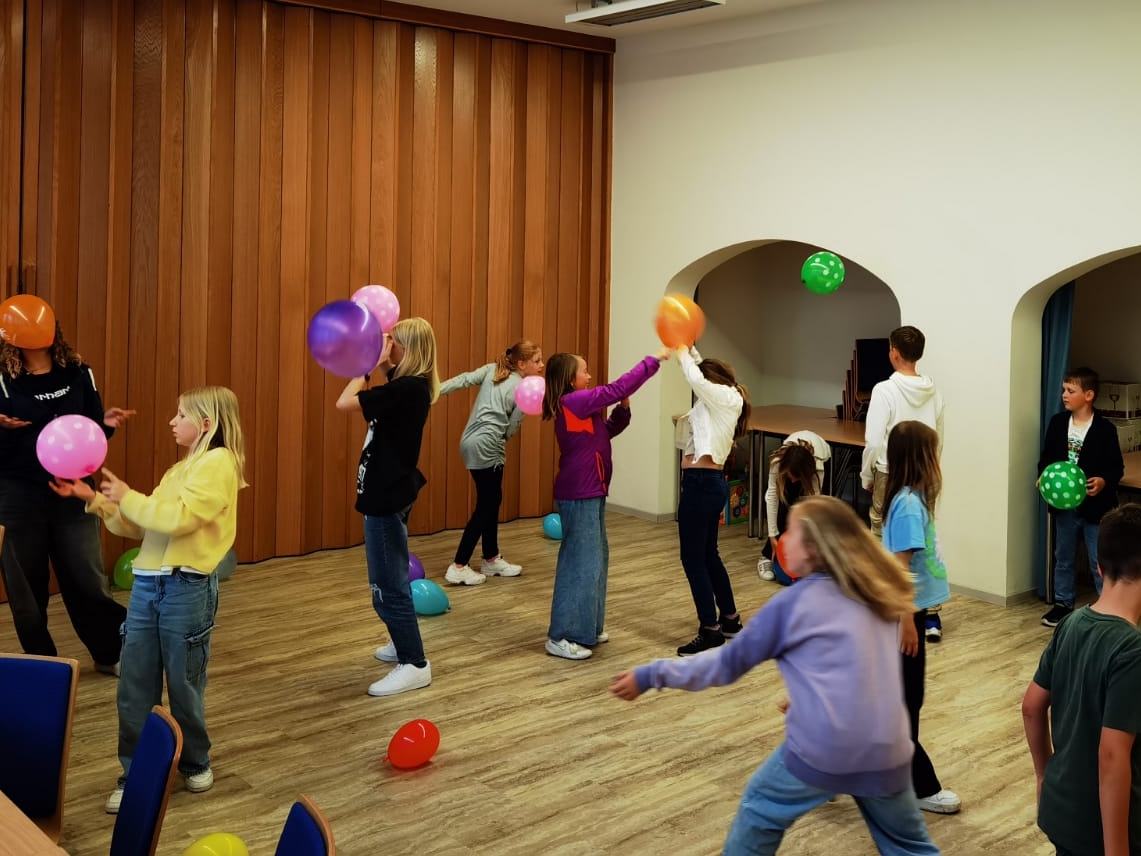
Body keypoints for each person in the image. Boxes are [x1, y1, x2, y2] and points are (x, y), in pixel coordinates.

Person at [610, 496, 940, 856]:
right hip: (888, 748)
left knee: (760, 809)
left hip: (825, 747)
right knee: (910, 847)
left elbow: (724, 664)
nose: (782, 539)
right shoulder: (873, 592)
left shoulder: (792, 605)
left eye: (790, 531)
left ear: (812, 548)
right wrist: (810, 697)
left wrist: (651, 675)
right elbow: (862, 670)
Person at [53, 386, 246, 814]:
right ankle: (136, 773)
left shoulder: (219, 463)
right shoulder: (178, 471)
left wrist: (128, 496)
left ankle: (195, 760)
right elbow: (144, 526)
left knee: (184, 684)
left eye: (181, 415)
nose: (172, 422)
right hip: (147, 586)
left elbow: (179, 520)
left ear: (206, 424)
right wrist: (95, 500)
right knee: (135, 686)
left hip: (186, 588)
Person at [0, 318, 131, 673]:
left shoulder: (77, 372)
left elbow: (90, 428)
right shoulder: (2, 379)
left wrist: (106, 423)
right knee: (26, 591)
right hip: (17, 494)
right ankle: (44, 666)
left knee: (87, 578)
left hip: (73, 491)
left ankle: (110, 654)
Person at [1022, 503, 1141, 856]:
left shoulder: (1070, 623)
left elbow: (1031, 706)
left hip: (1062, 812)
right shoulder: (1132, 650)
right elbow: (1112, 755)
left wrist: (1043, 775)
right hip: (1104, 831)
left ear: (1099, 568)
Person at [541, 349, 667, 660]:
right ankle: (560, 636)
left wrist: (623, 411)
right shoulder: (574, 401)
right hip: (579, 493)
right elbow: (617, 388)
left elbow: (604, 433)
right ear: (570, 380)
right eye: (584, 371)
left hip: (592, 491)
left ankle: (587, 628)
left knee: (596, 561)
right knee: (580, 564)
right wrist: (653, 360)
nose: (589, 376)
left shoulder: (580, 408)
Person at [336, 318, 439, 696]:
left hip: (387, 496)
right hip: (389, 490)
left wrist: (367, 365)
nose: (384, 345)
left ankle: (414, 663)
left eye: (391, 341)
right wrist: (382, 359)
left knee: (387, 585)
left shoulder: (408, 389)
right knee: (391, 576)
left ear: (405, 350)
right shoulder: (407, 386)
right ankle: (401, 640)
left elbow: (344, 402)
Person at [881, 420, 960, 815]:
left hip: (905, 614)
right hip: (903, 617)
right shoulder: (909, 505)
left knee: (896, 702)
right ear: (920, 459)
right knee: (906, 703)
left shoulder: (909, 500)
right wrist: (907, 621)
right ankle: (921, 786)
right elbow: (900, 570)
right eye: (934, 453)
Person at [437, 340, 544, 586]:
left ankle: (491, 558)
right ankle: (459, 565)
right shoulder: (525, 388)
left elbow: (463, 380)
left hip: (468, 441)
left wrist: (435, 390)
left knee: (491, 500)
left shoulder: (492, 370)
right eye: (537, 361)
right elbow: (512, 427)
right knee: (487, 505)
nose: (541, 365)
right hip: (488, 445)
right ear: (521, 364)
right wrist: (501, 437)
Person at [672, 345, 750, 656]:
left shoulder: (726, 398)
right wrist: (689, 346)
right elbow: (699, 369)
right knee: (707, 555)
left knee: (693, 559)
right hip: (705, 484)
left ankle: (710, 629)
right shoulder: (721, 397)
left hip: (702, 485)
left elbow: (695, 376)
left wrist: (680, 349)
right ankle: (729, 619)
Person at [1037, 366, 1124, 628]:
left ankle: (1107, 608)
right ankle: (1063, 604)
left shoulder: (1105, 429)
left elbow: (1116, 468)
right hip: (1065, 508)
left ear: (1088, 395)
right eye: (1063, 390)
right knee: (1063, 557)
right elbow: (1046, 459)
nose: (1064, 395)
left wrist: (1103, 481)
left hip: (1096, 508)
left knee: (1099, 559)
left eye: (1070, 390)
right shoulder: (1057, 423)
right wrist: (1043, 476)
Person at [761, 433, 827, 586]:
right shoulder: (777, 463)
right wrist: (772, 536)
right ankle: (766, 556)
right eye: (791, 477)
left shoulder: (817, 469)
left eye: (796, 478)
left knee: (802, 512)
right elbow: (771, 497)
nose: (793, 481)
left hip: (818, 457)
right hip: (790, 465)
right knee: (784, 507)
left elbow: (813, 506)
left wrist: (807, 542)